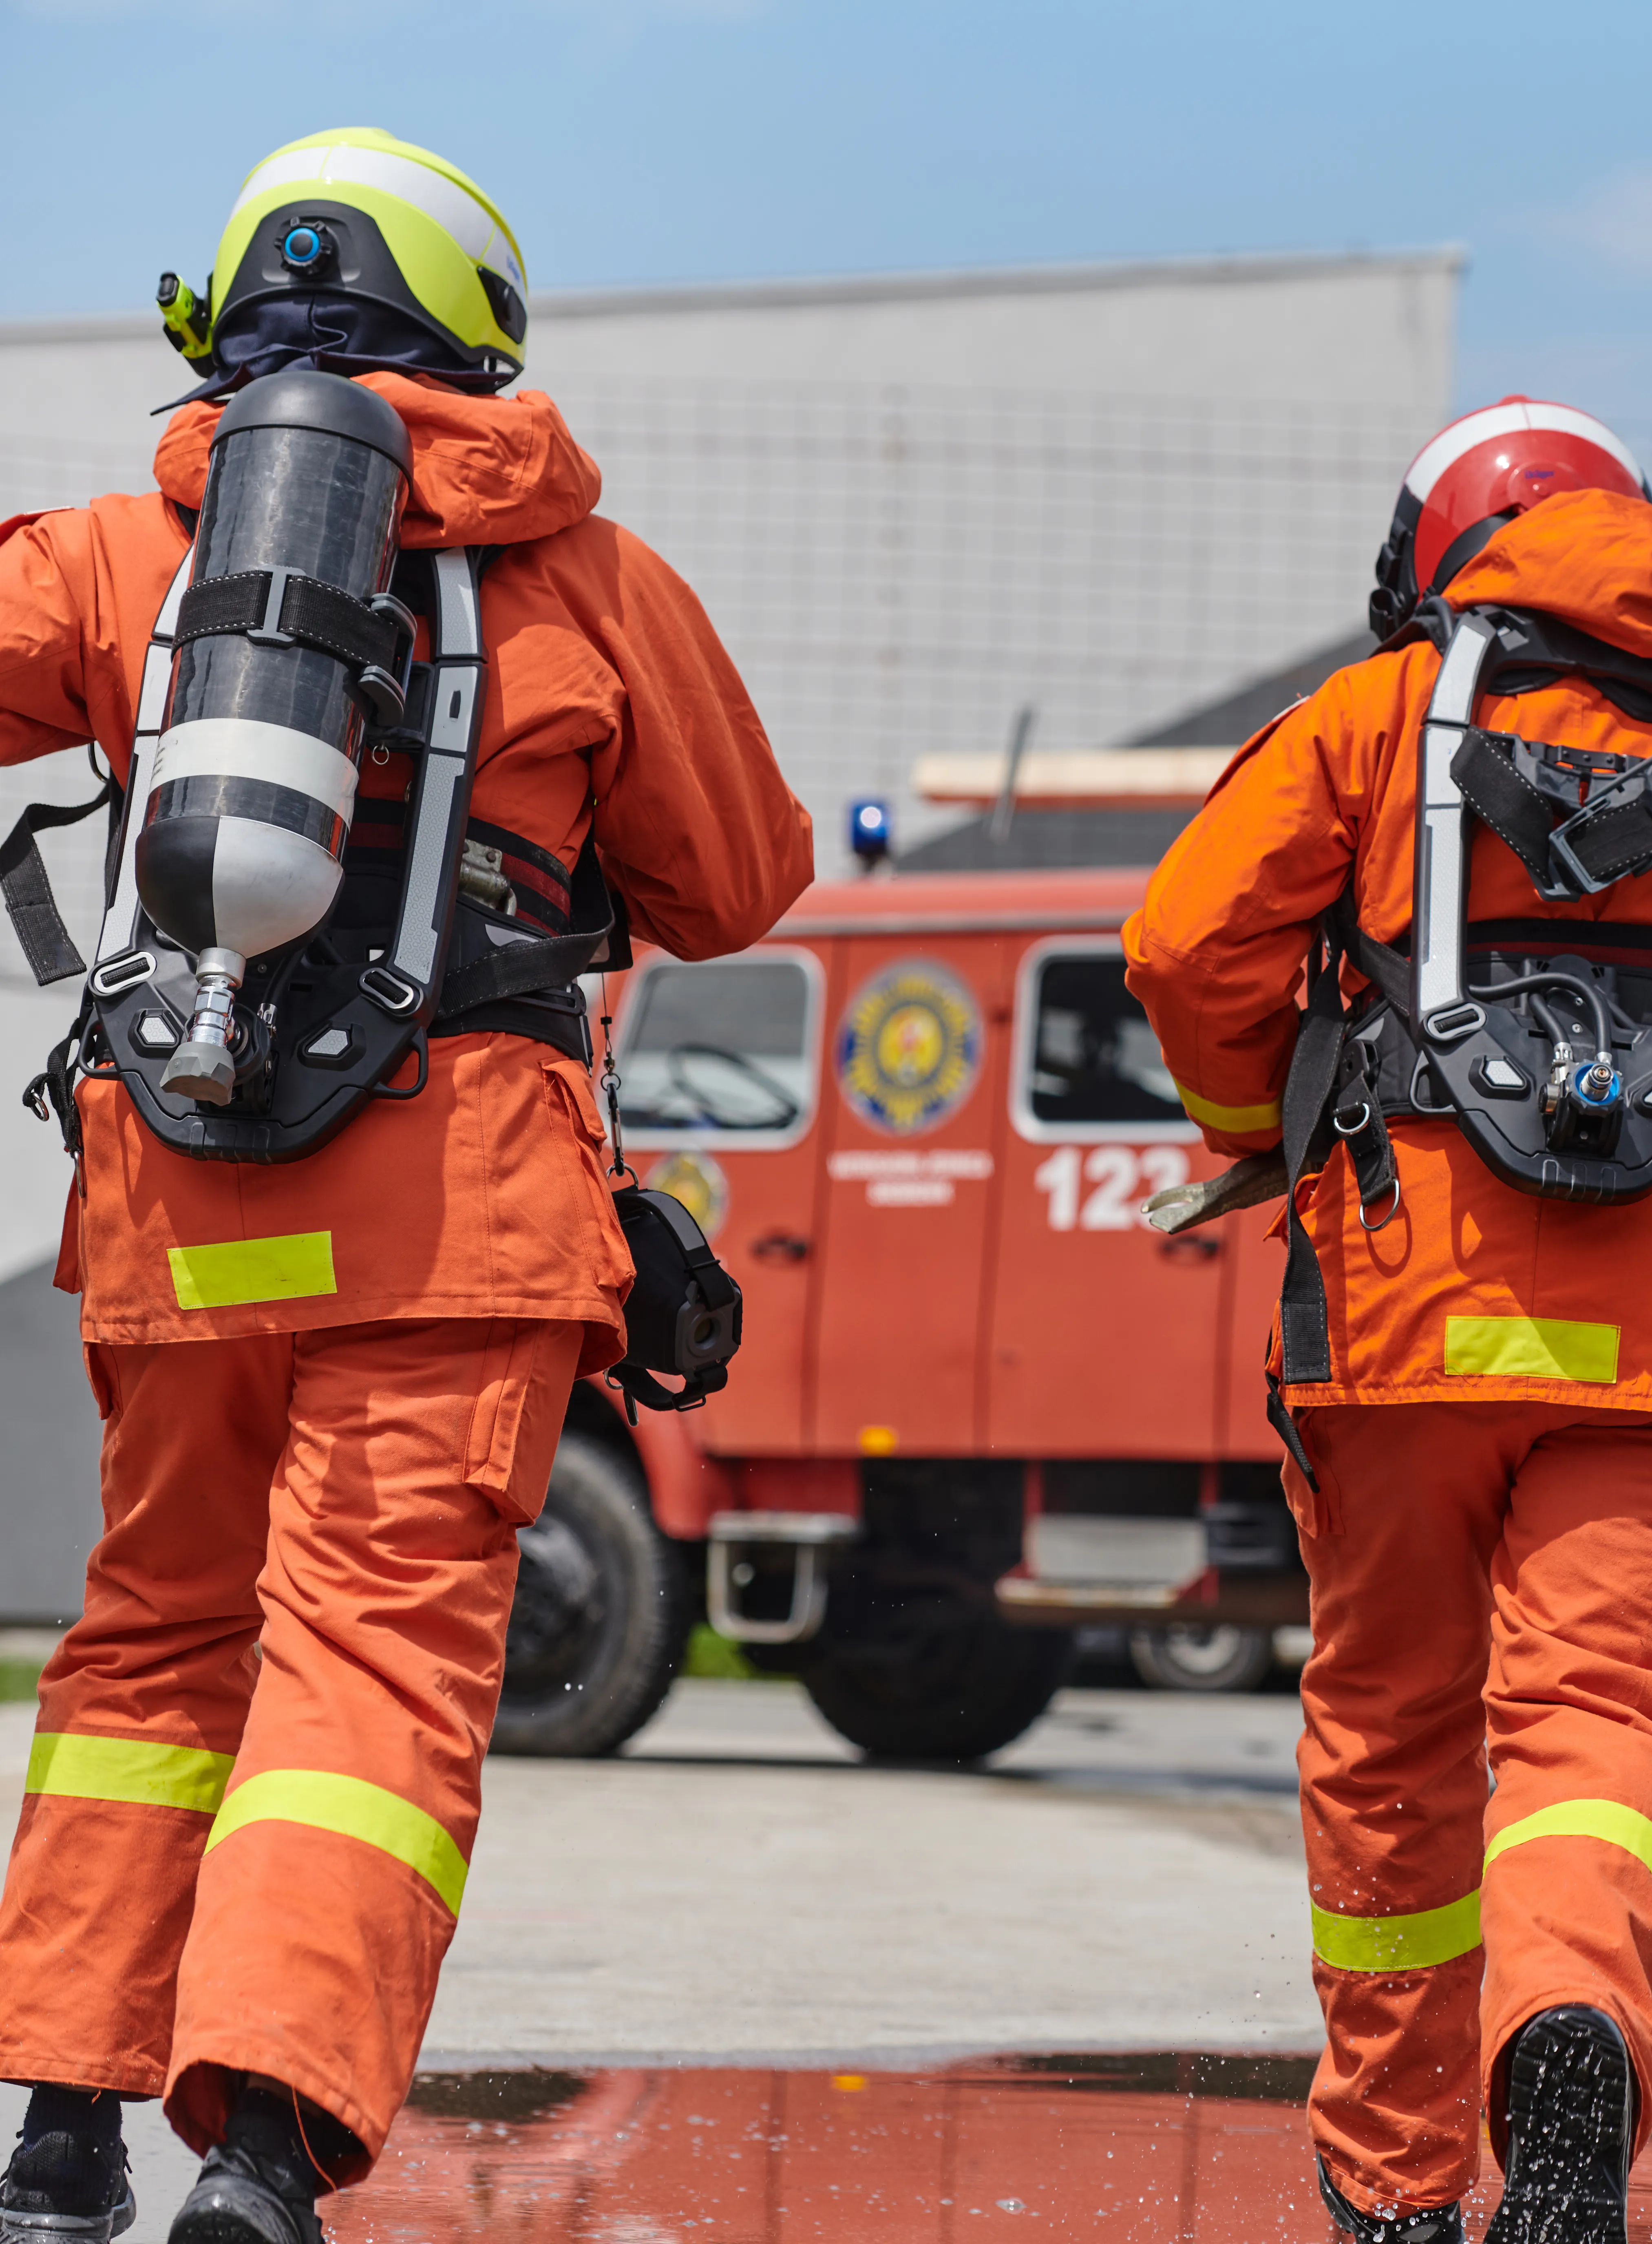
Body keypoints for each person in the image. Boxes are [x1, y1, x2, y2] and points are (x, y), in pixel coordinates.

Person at [0, 128, 811, 2243]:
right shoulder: (593, 588)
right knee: (364, 1672)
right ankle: (260, 2150)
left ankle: (58, 2133)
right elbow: (743, 885)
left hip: (180, 1201)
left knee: (151, 1651)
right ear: (474, 330)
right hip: (458, 1222)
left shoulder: (123, 562)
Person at [1123, 398, 1652, 2244]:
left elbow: (1182, 944)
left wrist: (1255, 1123)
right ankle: (1569, 2037)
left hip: (1409, 1305)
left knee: (1394, 1733)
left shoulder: (1376, 726)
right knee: (1602, 1719)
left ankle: (1391, 2187)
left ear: (1434, 558)